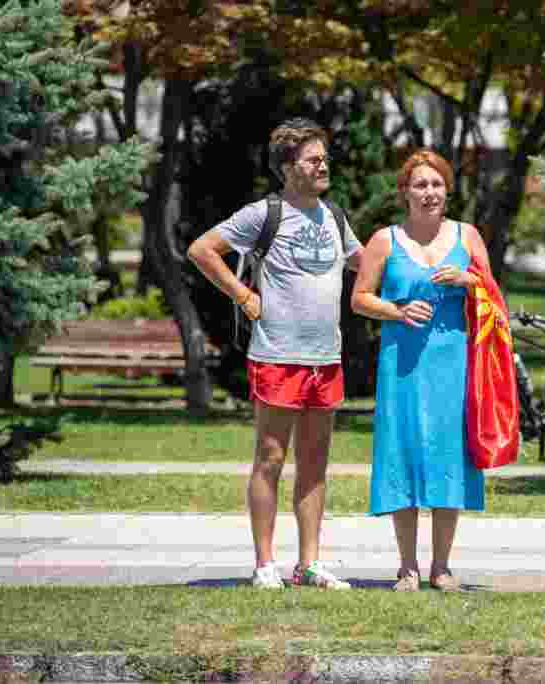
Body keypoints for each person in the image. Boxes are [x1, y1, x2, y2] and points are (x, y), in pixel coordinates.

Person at [187, 118, 361, 589]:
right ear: (288, 167)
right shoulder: (264, 214)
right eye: (313, 158)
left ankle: (308, 565)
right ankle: (265, 564)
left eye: (325, 156)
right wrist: (243, 296)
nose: (324, 164)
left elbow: (368, 266)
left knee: (316, 463)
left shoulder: (336, 218)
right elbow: (202, 250)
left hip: (326, 359)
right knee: (270, 457)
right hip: (278, 355)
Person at [350, 149, 490, 592]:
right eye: (420, 185)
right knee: (404, 452)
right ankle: (407, 566)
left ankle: (442, 567)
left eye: (436, 184)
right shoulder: (384, 240)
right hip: (403, 361)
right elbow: (359, 298)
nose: (429, 192)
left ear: (447, 191)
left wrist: (470, 281)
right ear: (405, 192)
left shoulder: (467, 237)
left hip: (453, 359)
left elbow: (492, 294)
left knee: (450, 454)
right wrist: (396, 309)